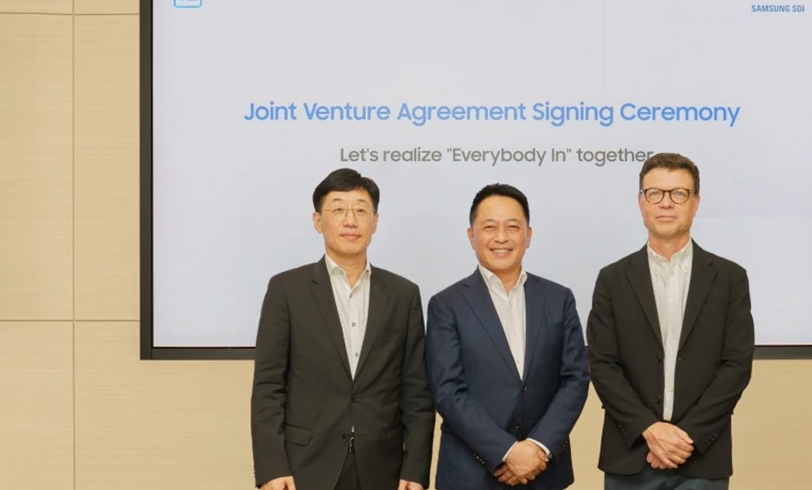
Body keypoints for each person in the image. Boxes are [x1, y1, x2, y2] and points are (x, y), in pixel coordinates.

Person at [250, 168, 434, 490]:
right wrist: (271, 468)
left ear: (375, 221)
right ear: (318, 220)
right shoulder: (286, 289)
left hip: (383, 467)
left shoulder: (403, 294)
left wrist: (415, 470)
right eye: (338, 209)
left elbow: (416, 392)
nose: (350, 220)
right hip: (304, 467)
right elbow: (268, 387)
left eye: (361, 210)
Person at [585, 153, 755, 490]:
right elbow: (602, 364)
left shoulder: (729, 277)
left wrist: (685, 437)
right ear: (641, 203)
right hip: (631, 453)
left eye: (679, 193)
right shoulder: (612, 278)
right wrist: (650, 429)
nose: (666, 203)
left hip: (702, 456)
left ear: (695, 203)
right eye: (655, 193)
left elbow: (736, 365)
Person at [425, 184, 590, 490]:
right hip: (470, 475)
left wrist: (538, 448)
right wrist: (507, 452)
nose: (501, 237)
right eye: (489, 227)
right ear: (471, 236)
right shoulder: (446, 305)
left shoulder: (558, 298)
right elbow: (448, 390)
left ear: (528, 235)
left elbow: (576, 379)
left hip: (544, 473)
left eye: (512, 227)